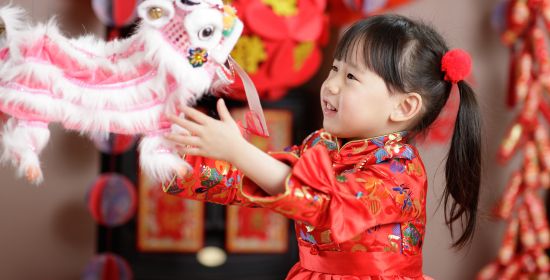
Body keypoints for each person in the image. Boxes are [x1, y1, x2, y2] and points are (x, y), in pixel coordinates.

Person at [163, 14, 481, 279]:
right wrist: (171, 157)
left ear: (403, 107)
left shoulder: (399, 174)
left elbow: (325, 206)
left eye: (351, 77)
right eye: (334, 69)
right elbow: (257, 179)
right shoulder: (322, 145)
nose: (331, 85)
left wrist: (239, 150)